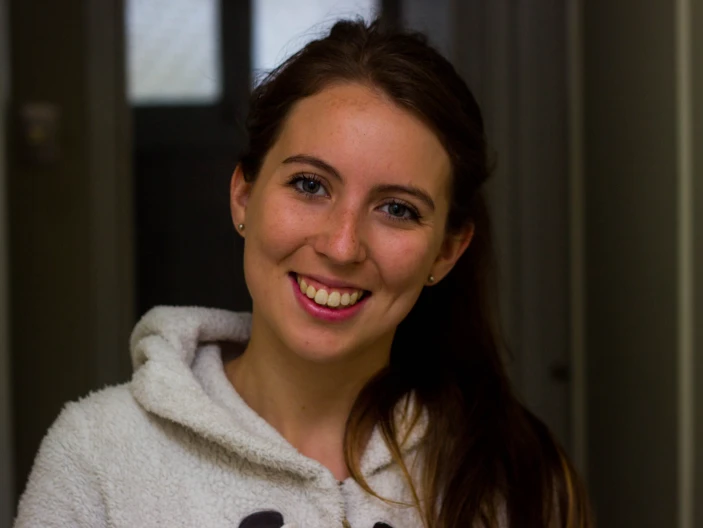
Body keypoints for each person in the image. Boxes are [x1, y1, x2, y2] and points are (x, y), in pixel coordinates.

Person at [14, 18, 591, 528]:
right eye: (310, 185)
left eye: (397, 209)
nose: (342, 246)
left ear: (447, 250)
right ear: (244, 196)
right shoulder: (96, 456)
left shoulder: (520, 474)